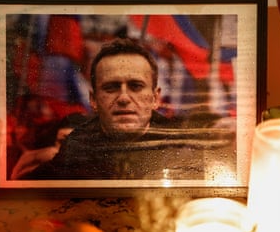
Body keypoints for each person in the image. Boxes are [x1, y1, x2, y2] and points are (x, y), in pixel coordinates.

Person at [22, 38, 203, 180]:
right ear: (93, 99)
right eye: (111, 87)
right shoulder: (75, 148)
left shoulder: (183, 150)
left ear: (155, 98)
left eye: (136, 86)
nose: (123, 98)